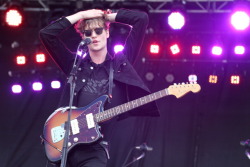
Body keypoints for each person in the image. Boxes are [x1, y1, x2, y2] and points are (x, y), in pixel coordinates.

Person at [40, 8, 159, 167]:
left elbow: (141, 19)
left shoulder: (120, 65)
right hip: (65, 145)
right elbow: (46, 34)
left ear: (107, 32)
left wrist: (106, 17)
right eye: (88, 33)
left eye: (98, 30)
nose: (94, 35)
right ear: (83, 37)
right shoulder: (75, 65)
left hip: (95, 150)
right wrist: (80, 16)